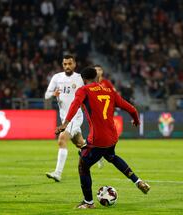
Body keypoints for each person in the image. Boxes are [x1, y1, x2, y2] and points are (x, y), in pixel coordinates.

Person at [56, 66, 150, 209]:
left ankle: (88, 202)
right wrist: (136, 120)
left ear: (84, 79)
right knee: (111, 156)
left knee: (83, 165)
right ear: (97, 77)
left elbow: (75, 105)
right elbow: (131, 109)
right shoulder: (109, 91)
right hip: (112, 136)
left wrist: (65, 123)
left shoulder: (83, 90)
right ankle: (138, 181)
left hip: (97, 139)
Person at [44, 54, 86, 182]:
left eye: (69, 64)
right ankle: (98, 154)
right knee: (80, 144)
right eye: (65, 64)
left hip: (75, 117)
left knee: (62, 139)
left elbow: (87, 95)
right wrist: (53, 93)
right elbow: (46, 95)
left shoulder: (79, 79)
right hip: (64, 118)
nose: (67, 66)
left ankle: (58, 173)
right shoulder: (57, 77)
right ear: (63, 65)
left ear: (74, 64)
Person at [93, 64, 116, 169]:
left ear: (102, 72)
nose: (98, 71)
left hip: (105, 114)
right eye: (96, 70)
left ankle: (101, 154)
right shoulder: (90, 83)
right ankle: (100, 155)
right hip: (94, 113)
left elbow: (114, 94)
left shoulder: (106, 83)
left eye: (99, 70)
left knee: (103, 134)